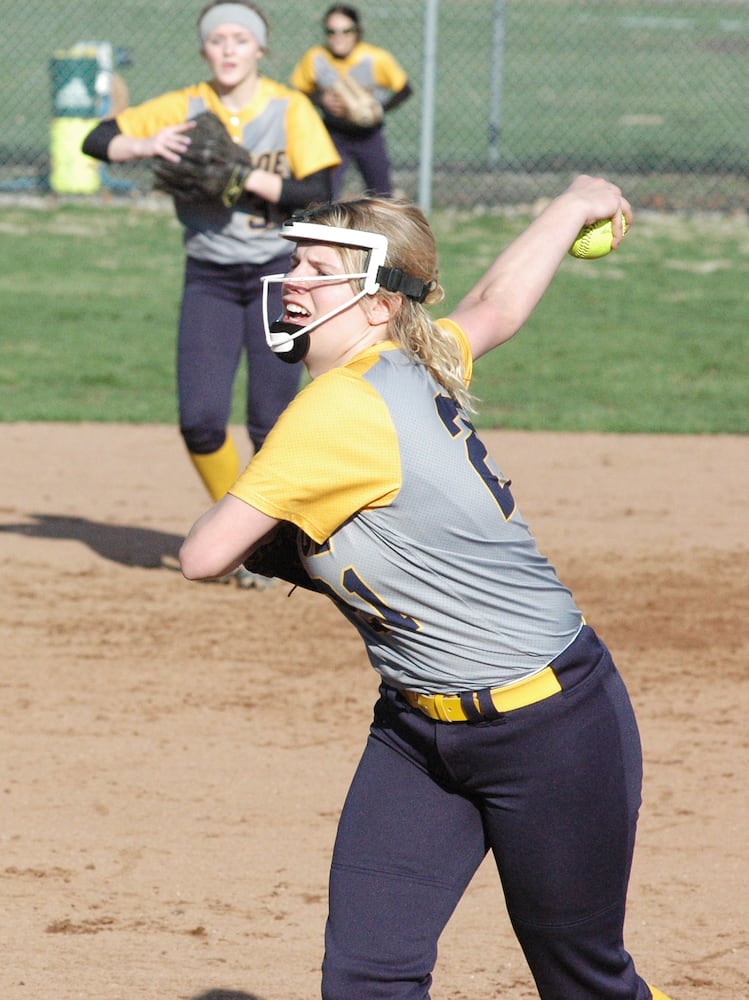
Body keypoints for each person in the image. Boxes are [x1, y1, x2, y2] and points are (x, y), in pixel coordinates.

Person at [179, 174, 674, 1000]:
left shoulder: (333, 408)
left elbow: (204, 554)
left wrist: (289, 537)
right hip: (415, 732)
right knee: (367, 976)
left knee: (582, 978)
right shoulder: (416, 356)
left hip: (549, 730)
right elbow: (497, 304)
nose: (292, 280)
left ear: (377, 302)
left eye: (317, 269)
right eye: (294, 262)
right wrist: (573, 201)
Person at [82, 2, 340, 586]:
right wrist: (149, 145)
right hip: (209, 276)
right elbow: (97, 141)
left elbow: (320, 190)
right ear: (205, 50)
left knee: (268, 421)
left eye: (240, 39)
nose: (228, 48)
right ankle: (244, 530)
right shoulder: (182, 106)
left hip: (280, 274)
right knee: (200, 421)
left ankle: (266, 545)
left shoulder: (287, 106)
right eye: (217, 39)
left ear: (259, 50)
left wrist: (239, 174)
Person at [290, 4, 411, 198]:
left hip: (368, 134)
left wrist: (380, 108)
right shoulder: (316, 58)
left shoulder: (374, 58)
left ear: (357, 32)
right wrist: (321, 99)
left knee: (382, 195)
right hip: (333, 132)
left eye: (346, 31)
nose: (338, 37)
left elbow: (404, 89)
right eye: (331, 31)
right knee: (325, 193)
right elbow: (300, 90)